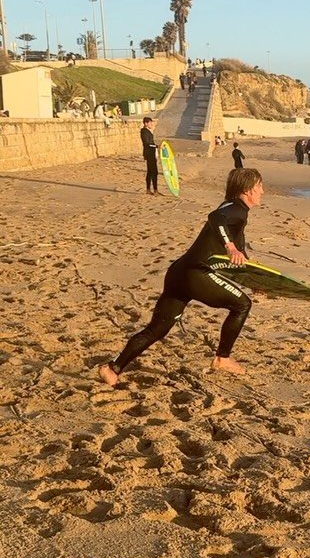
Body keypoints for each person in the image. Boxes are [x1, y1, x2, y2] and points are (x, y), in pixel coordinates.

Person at [98, 169, 265, 386]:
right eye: (259, 186)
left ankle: (113, 368)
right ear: (248, 190)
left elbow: (239, 255)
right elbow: (215, 218)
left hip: (179, 273)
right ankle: (222, 358)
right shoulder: (236, 210)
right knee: (242, 305)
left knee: (157, 329)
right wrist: (229, 246)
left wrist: (253, 280)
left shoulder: (232, 209)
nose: (262, 191)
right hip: (196, 273)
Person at [141, 116, 159, 195]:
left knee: (150, 172)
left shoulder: (147, 131)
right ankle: (155, 190)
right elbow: (147, 144)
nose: (151, 124)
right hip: (149, 154)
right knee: (154, 172)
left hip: (151, 153)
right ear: (146, 123)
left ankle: (149, 190)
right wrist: (156, 146)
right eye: (150, 123)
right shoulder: (144, 132)